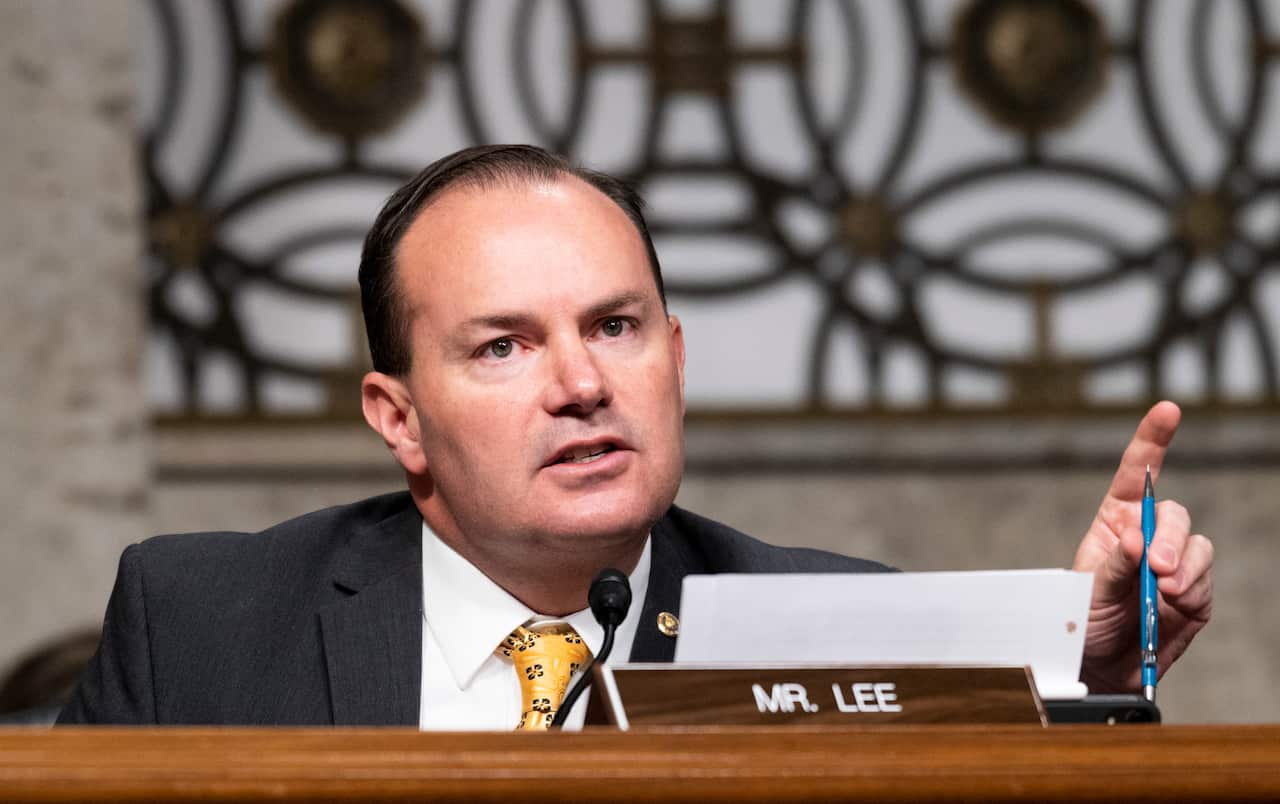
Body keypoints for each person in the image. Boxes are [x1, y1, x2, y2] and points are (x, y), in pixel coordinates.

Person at [59, 145, 1213, 727]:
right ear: (396, 417)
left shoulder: (843, 633)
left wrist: (1083, 681)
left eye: (613, 327)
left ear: (673, 356)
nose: (579, 384)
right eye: (502, 346)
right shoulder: (197, 628)